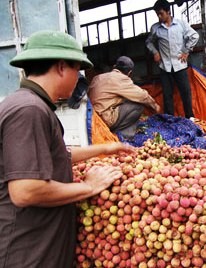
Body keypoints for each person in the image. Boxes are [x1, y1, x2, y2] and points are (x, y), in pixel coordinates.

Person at [0, 30, 135, 267]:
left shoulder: (30, 104)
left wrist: (106, 148)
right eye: (77, 70)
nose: (79, 79)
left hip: (38, 248)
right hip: (27, 253)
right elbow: (25, 191)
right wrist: (89, 186)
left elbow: (58, 155)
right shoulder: (29, 110)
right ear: (62, 67)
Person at [145, 0, 199, 119]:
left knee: (185, 93)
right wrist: (155, 52)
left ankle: (190, 118)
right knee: (167, 95)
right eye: (157, 14)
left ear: (168, 12)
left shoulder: (181, 24)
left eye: (161, 13)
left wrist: (186, 51)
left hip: (180, 65)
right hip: (165, 67)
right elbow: (148, 42)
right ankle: (170, 119)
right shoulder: (155, 28)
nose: (159, 16)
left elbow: (194, 36)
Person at [88, 56, 160, 137]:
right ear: (129, 72)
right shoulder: (121, 78)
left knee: (125, 99)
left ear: (114, 67)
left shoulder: (97, 77)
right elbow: (142, 96)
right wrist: (155, 107)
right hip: (106, 119)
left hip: (93, 120)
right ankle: (124, 134)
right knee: (138, 105)